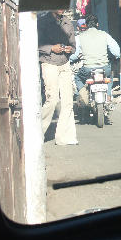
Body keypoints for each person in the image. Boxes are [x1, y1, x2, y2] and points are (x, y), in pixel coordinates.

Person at [38, 9, 79, 146]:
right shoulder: (43, 21)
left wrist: (69, 49)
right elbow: (36, 44)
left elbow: (73, 46)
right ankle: (38, 133)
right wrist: (51, 48)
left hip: (65, 64)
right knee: (53, 100)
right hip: (49, 63)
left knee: (68, 101)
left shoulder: (68, 22)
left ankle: (64, 137)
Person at [70, 14, 120, 103]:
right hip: (104, 67)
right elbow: (116, 51)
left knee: (77, 78)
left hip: (88, 69)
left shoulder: (79, 37)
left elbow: (74, 54)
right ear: (97, 24)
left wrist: (69, 60)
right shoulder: (105, 35)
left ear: (87, 25)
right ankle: (108, 95)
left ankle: (84, 98)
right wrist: (116, 57)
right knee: (109, 77)